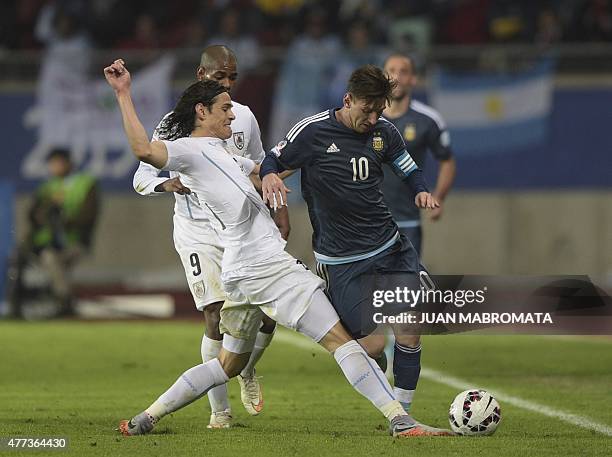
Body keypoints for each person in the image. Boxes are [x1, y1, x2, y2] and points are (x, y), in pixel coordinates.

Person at [104, 59, 450, 438]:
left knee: (228, 365)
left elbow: (267, 167)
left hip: (240, 271)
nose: (233, 116)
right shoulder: (187, 151)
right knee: (342, 341)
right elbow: (142, 148)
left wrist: (273, 173)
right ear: (201, 112)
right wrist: (124, 93)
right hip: (265, 266)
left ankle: (147, 417)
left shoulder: (220, 154)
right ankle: (401, 420)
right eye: (225, 109)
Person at [259, 65, 438, 416]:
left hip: (389, 248)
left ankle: (403, 415)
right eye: (365, 110)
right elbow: (273, 159)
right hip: (341, 261)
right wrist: (269, 177)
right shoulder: (312, 132)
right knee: (370, 346)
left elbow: (409, 168)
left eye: (378, 110)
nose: (372, 118)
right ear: (348, 99)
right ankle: (382, 377)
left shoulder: (385, 133)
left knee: (410, 329)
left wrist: (421, 191)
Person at [132, 45, 279, 428]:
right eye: (220, 78)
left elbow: (262, 170)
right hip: (197, 231)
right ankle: (220, 412)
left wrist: (278, 211)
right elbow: (141, 177)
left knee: (266, 316)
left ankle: (244, 369)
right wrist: (170, 184)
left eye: (232, 77)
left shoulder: (242, 117)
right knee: (214, 316)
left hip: (241, 229)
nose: (228, 85)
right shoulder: (173, 124)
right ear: (201, 75)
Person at [6, 148, 98, 318]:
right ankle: (15, 304)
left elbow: (88, 217)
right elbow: (32, 215)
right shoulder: (47, 187)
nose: (54, 167)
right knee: (19, 257)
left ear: (68, 163)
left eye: (58, 163)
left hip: (74, 243)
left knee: (51, 259)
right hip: (45, 242)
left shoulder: (85, 184)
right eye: (52, 164)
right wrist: (47, 213)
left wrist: (62, 221)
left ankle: (64, 302)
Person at [382, 53, 456, 256]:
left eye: (403, 72)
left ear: (413, 79)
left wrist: (438, 197)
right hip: (366, 222)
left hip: (407, 222)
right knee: (368, 285)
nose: (396, 77)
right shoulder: (365, 116)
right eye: (391, 71)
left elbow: (447, 161)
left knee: (405, 285)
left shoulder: (428, 120)